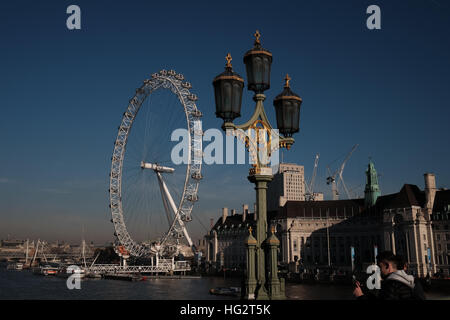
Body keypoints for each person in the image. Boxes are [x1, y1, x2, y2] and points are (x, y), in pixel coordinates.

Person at [353, 251, 422, 300]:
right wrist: (366, 292)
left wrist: (360, 296)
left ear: (387, 266)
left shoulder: (391, 284)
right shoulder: (412, 281)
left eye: (380, 267)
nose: (378, 271)